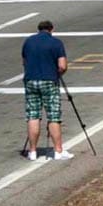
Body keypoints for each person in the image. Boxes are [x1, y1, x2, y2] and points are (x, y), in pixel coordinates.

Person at [21, 20, 72, 161]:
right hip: (49, 80)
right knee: (53, 115)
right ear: (51, 29)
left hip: (30, 80)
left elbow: (24, 62)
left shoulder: (28, 41)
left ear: (38, 29)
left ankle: (32, 151)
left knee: (33, 115)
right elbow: (62, 66)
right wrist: (57, 74)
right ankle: (58, 150)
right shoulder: (56, 43)